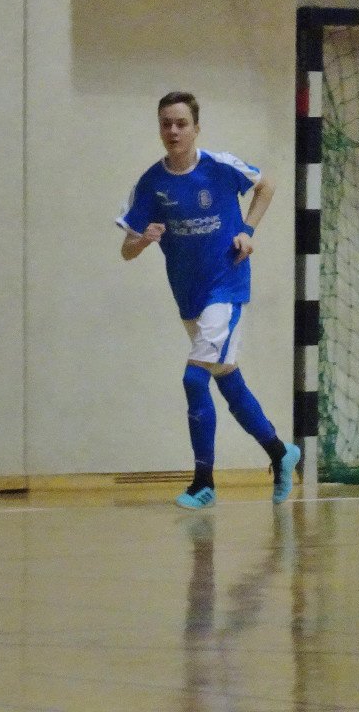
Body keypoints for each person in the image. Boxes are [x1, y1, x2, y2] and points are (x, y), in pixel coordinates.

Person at [117, 91, 300, 508]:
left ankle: (204, 483)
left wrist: (247, 231)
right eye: (166, 123)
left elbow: (267, 184)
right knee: (226, 377)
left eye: (181, 123)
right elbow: (126, 250)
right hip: (189, 296)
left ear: (196, 129)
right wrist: (143, 240)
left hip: (226, 287)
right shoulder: (151, 184)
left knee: (193, 378)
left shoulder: (219, 166)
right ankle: (280, 452)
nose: (173, 131)